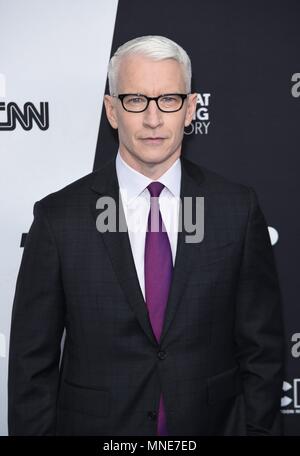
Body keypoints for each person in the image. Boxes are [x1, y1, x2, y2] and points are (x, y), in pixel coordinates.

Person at [8, 35, 285, 436]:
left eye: (169, 100)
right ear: (112, 111)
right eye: (136, 100)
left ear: (190, 109)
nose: (153, 119)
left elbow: (263, 350)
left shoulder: (236, 210)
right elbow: (31, 365)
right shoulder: (58, 218)